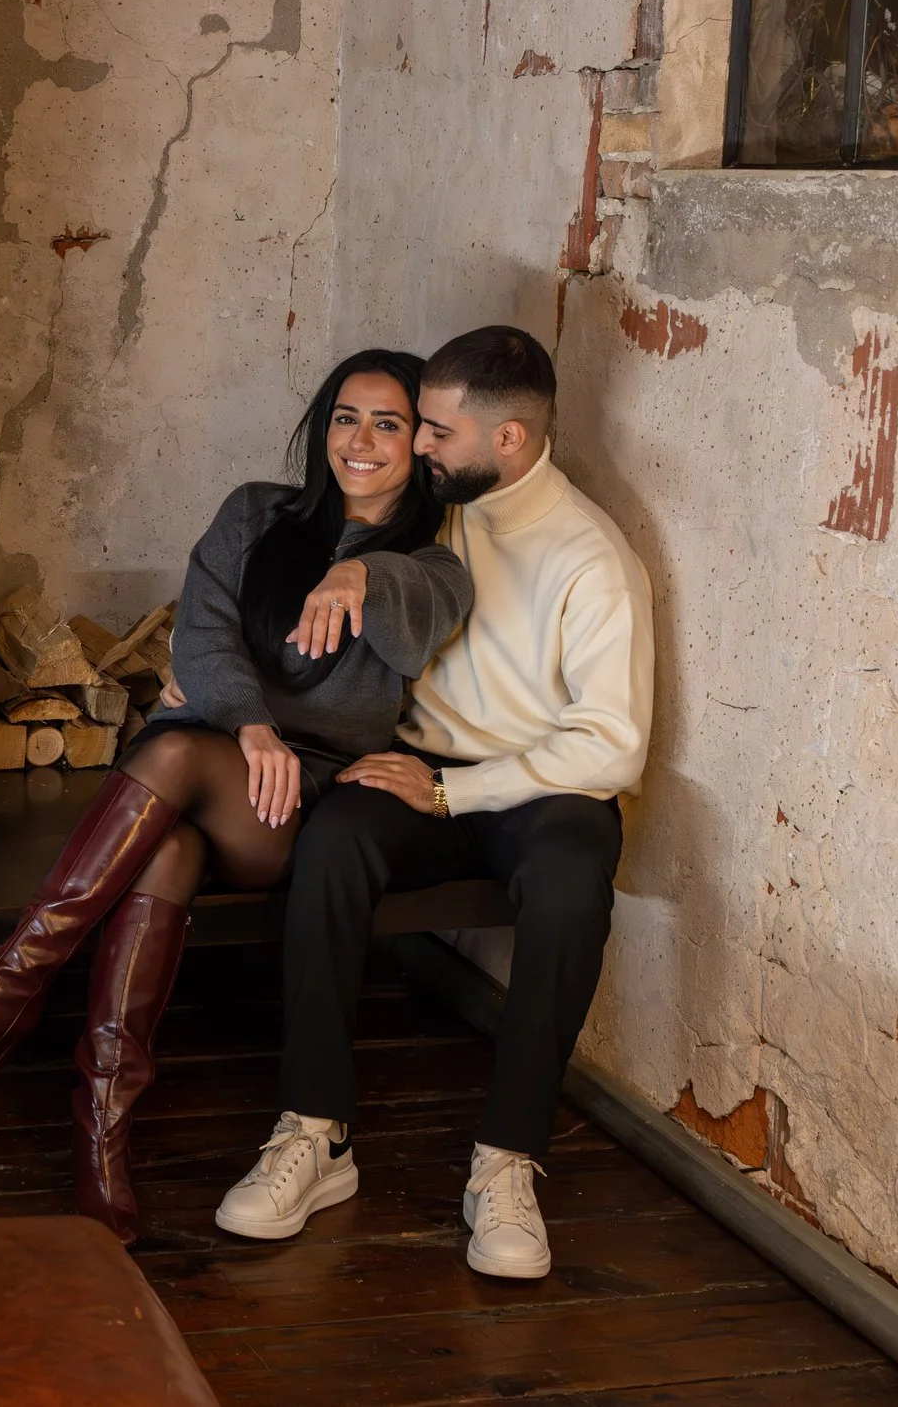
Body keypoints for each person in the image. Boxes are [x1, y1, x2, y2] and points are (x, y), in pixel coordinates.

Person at [0, 349, 472, 1244]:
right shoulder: (254, 513)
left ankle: (2, 994)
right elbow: (199, 639)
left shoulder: (433, 566)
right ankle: (101, 1137)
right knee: (165, 838)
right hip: (222, 749)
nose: (360, 441)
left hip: (293, 799)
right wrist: (249, 724)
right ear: (322, 426)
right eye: (345, 417)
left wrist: (362, 574)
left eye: (387, 424)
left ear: (417, 446)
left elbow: (415, 621)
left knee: (171, 759)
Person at [213, 325, 654, 1281]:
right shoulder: (435, 511)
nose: (414, 447)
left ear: (509, 441)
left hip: (540, 793)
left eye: (436, 433)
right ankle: (316, 1133)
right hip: (417, 774)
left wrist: (458, 791)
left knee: (577, 875)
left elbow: (613, 744)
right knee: (333, 842)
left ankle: (505, 1162)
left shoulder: (591, 558)